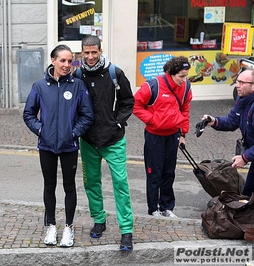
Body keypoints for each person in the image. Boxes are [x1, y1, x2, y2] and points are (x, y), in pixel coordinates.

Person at [23, 44, 94, 247]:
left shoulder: (78, 85)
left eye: (70, 61)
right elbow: (28, 114)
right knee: (49, 186)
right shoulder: (39, 86)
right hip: (46, 146)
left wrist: (73, 133)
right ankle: (52, 226)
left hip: (69, 145)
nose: (66, 65)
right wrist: (41, 130)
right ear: (53, 61)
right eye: (62, 60)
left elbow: (87, 115)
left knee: (69, 187)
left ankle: (68, 228)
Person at [74, 35, 135, 251]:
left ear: (101, 51)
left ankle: (126, 231)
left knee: (120, 184)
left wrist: (117, 123)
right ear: (81, 53)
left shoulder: (114, 73)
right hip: (89, 140)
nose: (90, 57)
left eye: (94, 52)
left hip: (113, 140)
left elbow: (128, 101)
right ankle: (99, 220)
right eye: (86, 53)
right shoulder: (78, 74)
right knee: (91, 183)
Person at [134, 56, 192, 218]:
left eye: (186, 75)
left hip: (173, 135)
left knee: (169, 173)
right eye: (181, 76)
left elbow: (185, 110)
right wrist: (152, 120)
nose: (184, 79)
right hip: (154, 137)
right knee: (154, 174)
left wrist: (183, 134)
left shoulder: (186, 87)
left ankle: (167, 207)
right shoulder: (154, 85)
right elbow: (136, 105)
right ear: (171, 73)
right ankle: (153, 210)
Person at [202, 68, 254, 197]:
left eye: (242, 82)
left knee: (248, 195)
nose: (237, 85)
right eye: (237, 81)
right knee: (248, 194)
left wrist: (244, 157)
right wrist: (214, 121)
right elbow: (232, 121)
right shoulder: (242, 100)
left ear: (253, 87)